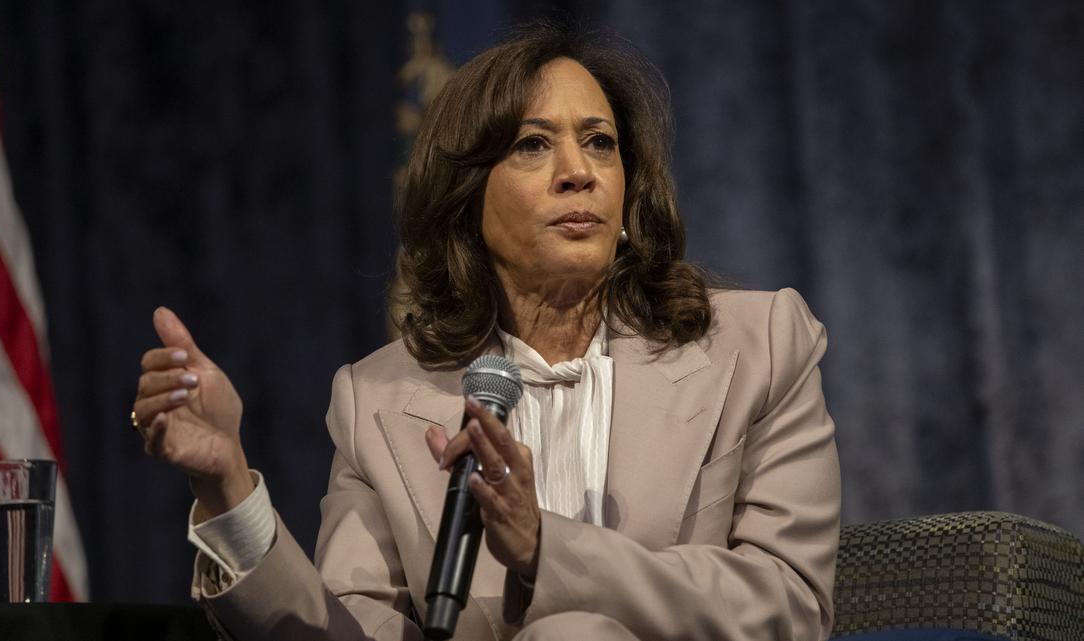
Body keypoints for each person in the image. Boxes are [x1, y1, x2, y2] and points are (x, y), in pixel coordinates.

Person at [132, 23, 840, 641]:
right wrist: (227, 486)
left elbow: (790, 604)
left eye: (600, 142)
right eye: (533, 145)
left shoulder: (759, 344)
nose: (579, 173)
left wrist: (546, 548)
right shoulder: (379, 398)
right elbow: (355, 626)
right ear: (466, 202)